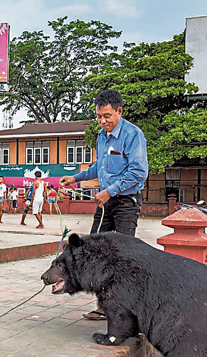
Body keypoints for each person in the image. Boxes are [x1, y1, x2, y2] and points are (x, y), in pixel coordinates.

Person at [60, 89, 148, 321]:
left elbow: (138, 172)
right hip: (105, 202)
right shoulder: (101, 136)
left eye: (107, 116)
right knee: (97, 251)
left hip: (125, 202)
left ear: (119, 111)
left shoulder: (133, 135)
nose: (103, 121)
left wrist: (110, 191)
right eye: (99, 116)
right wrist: (76, 178)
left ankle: (127, 308)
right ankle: (104, 305)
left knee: (123, 255)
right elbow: (100, 166)